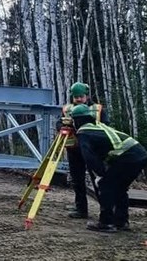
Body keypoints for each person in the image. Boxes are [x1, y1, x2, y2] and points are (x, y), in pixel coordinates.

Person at [70, 104, 147, 232]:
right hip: (140, 154)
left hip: (128, 157)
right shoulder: (98, 126)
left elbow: (89, 157)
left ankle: (106, 223)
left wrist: (100, 174)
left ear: (76, 120)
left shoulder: (83, 133)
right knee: (120, 188)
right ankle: (121, 221)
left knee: (106, 186)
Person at [60, 82, 109, 219]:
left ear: (87, 96)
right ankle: (81, 209)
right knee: (77, 180)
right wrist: (63, 127)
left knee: (98, 180)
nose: (78, 99)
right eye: (76, 97)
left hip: (93, 150)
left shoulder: (97, 109)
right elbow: (60, 123)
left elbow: (106, 126)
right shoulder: (67, 109)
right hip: (74, 150)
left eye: (81, 96)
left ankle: (106, 210)